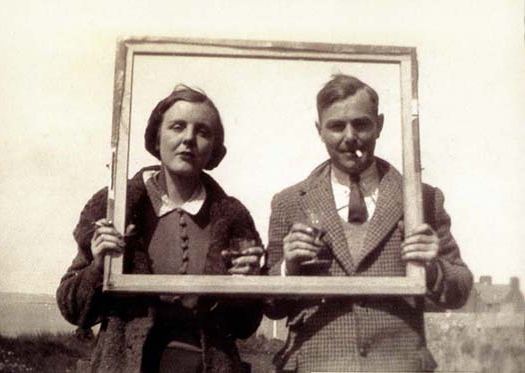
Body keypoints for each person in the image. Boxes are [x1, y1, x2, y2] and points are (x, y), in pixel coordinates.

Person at [265, 74, 473, 372]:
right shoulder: (289, 203)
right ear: (319, 130)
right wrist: (289, 267)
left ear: (380, 125)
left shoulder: (422, 199)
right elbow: (270, 306)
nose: (350, 137)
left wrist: (432, 269)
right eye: (336, 126)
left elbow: (461, 289)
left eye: (361, 124)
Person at [57, 84, 264, 373]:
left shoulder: (233, 216)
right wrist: (98, 267)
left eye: (203, 131)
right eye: (177, 127)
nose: (188, 139)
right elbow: (71, 308)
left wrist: (248, 287)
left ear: (215, 148)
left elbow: (244, 327)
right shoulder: (115, 208)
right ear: (156, 137)